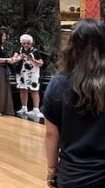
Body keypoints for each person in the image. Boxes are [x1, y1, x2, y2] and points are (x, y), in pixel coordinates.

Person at [42, 19, 105, 188]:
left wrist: (52, 169)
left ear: (71, 48)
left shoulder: (57, 84)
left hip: (73, 176)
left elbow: (51, 134)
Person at [14, 34, 44, 118]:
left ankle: (36, 109)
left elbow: (41, 63)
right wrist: (19, 58)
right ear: (21, 43)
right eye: (24, 43)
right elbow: (13, 59)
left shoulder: (35, 51)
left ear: (31, 43)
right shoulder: (19, 50)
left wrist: (32, 59)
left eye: (28, 43)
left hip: (32, 73)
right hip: (22, 73)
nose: (26, 45)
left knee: (34, 90)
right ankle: (24, 108)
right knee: (22, 89)